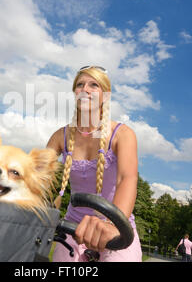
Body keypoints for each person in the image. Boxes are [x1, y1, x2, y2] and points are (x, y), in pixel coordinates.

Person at [46, 65, 142, 262]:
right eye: (80, 84)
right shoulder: (59, 136)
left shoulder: (122, 134)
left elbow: (127, 178)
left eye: (94, 85)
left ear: (105, 96)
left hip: (115, 225)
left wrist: (113, 226)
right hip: (72, 226)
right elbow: (37, 173)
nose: (85, 89)